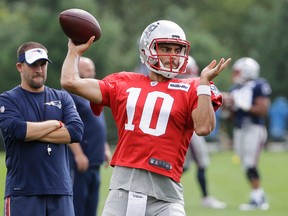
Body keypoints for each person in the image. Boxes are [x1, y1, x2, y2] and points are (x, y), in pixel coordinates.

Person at [61, 20, 231, 216]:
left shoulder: (193, 87)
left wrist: (203, 84)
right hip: (122, 191)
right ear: (146, 49)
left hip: (166, 195)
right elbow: (70, 81)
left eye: (177, 50)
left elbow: (203, 128)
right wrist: (74, 52)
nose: (172, 56)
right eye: (166, 48)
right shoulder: (123, 82)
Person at [0, 41, 84, 216]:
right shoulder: (7, 99)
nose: (39, 69)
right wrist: (55, 124)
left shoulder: (62, 97)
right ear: (20, 67)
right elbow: (18, 131)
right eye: (33, 65)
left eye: (43, 64)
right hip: (23, 192)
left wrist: (33, 133)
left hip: (60, 191)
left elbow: (76, 132)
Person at [223, 57, 271, 211]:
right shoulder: (235, 88)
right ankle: (259, 196)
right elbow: (232, 115)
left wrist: (244, 106)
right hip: (240, 129)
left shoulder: (259, 84)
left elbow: (263, 110)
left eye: (237, 71)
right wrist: (228, 109)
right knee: (245, 164)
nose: (235, 74)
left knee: (250, 164)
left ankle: (258, 199)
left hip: (254, 128)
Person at [68, 56, 112, 216]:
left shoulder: (93, 94)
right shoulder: (72, 96)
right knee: (77, 206)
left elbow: (98, 125)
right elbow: (67, 127)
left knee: (92, 207)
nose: (92, 74)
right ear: (77, 70)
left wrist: (105, 148)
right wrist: (78, 154)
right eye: (88, 70)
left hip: (95, 161)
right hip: (81, 163)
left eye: (93, 70)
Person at [181, 56, 226, 209]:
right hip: (190, 129)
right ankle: (206, 198)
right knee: (201, 163)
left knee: (183, 166)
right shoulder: (189, 85)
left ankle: (161, 189)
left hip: (184, 128)